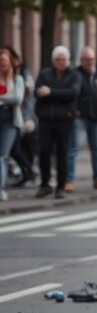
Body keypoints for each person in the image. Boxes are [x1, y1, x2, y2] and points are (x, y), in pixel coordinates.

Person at [35, 46, 82, 199]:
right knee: (44, 152)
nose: (60, 62)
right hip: (46, 119)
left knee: (62, 153)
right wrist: (58, 94)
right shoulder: (44, 73)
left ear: (68, 61)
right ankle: (44, 184)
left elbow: (73, 93)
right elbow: (39, 92)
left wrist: (51, 92)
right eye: (57, 59)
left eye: (63, 59)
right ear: (53, 61)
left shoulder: (74, 75)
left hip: (65, 120)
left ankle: (61, 186)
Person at [68, 47, 97, 192]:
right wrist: (74, 110)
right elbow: (72, 94)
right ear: (81, 60)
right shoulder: (75, 74)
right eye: (86, 60)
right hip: (80, 116)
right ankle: (69, 180)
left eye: (91, 59)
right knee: (74, 148)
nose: (89, 62)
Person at [8, 48, 36, 187]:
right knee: (15, 148)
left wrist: (28, 117)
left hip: (23, 117)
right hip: (10, 117)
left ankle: (28, 171)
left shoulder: (22, 75)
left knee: (18, 148)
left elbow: (25, 95)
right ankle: (27, 172)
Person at [0, 47, 24, 201]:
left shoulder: (17, 79)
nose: (2, 63)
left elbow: (17, 99)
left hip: (10, 119)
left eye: (4, 61)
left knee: (2, 155)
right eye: (0, 61)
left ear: (10, 63)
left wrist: (1, 99)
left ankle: (1, 188)